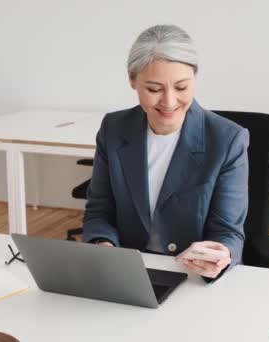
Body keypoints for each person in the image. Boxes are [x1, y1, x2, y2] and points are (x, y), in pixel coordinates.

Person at [82, 24, 249, 280]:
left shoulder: (227, 140)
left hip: (192, 275)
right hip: (128, 271)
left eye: (181, 87)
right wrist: (103, 246)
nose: (169, 102)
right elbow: (99, 210)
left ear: (195, 77)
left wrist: (221, 252)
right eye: (154, 89)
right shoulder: (114, 128)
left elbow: (228, 231)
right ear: (132, 79)